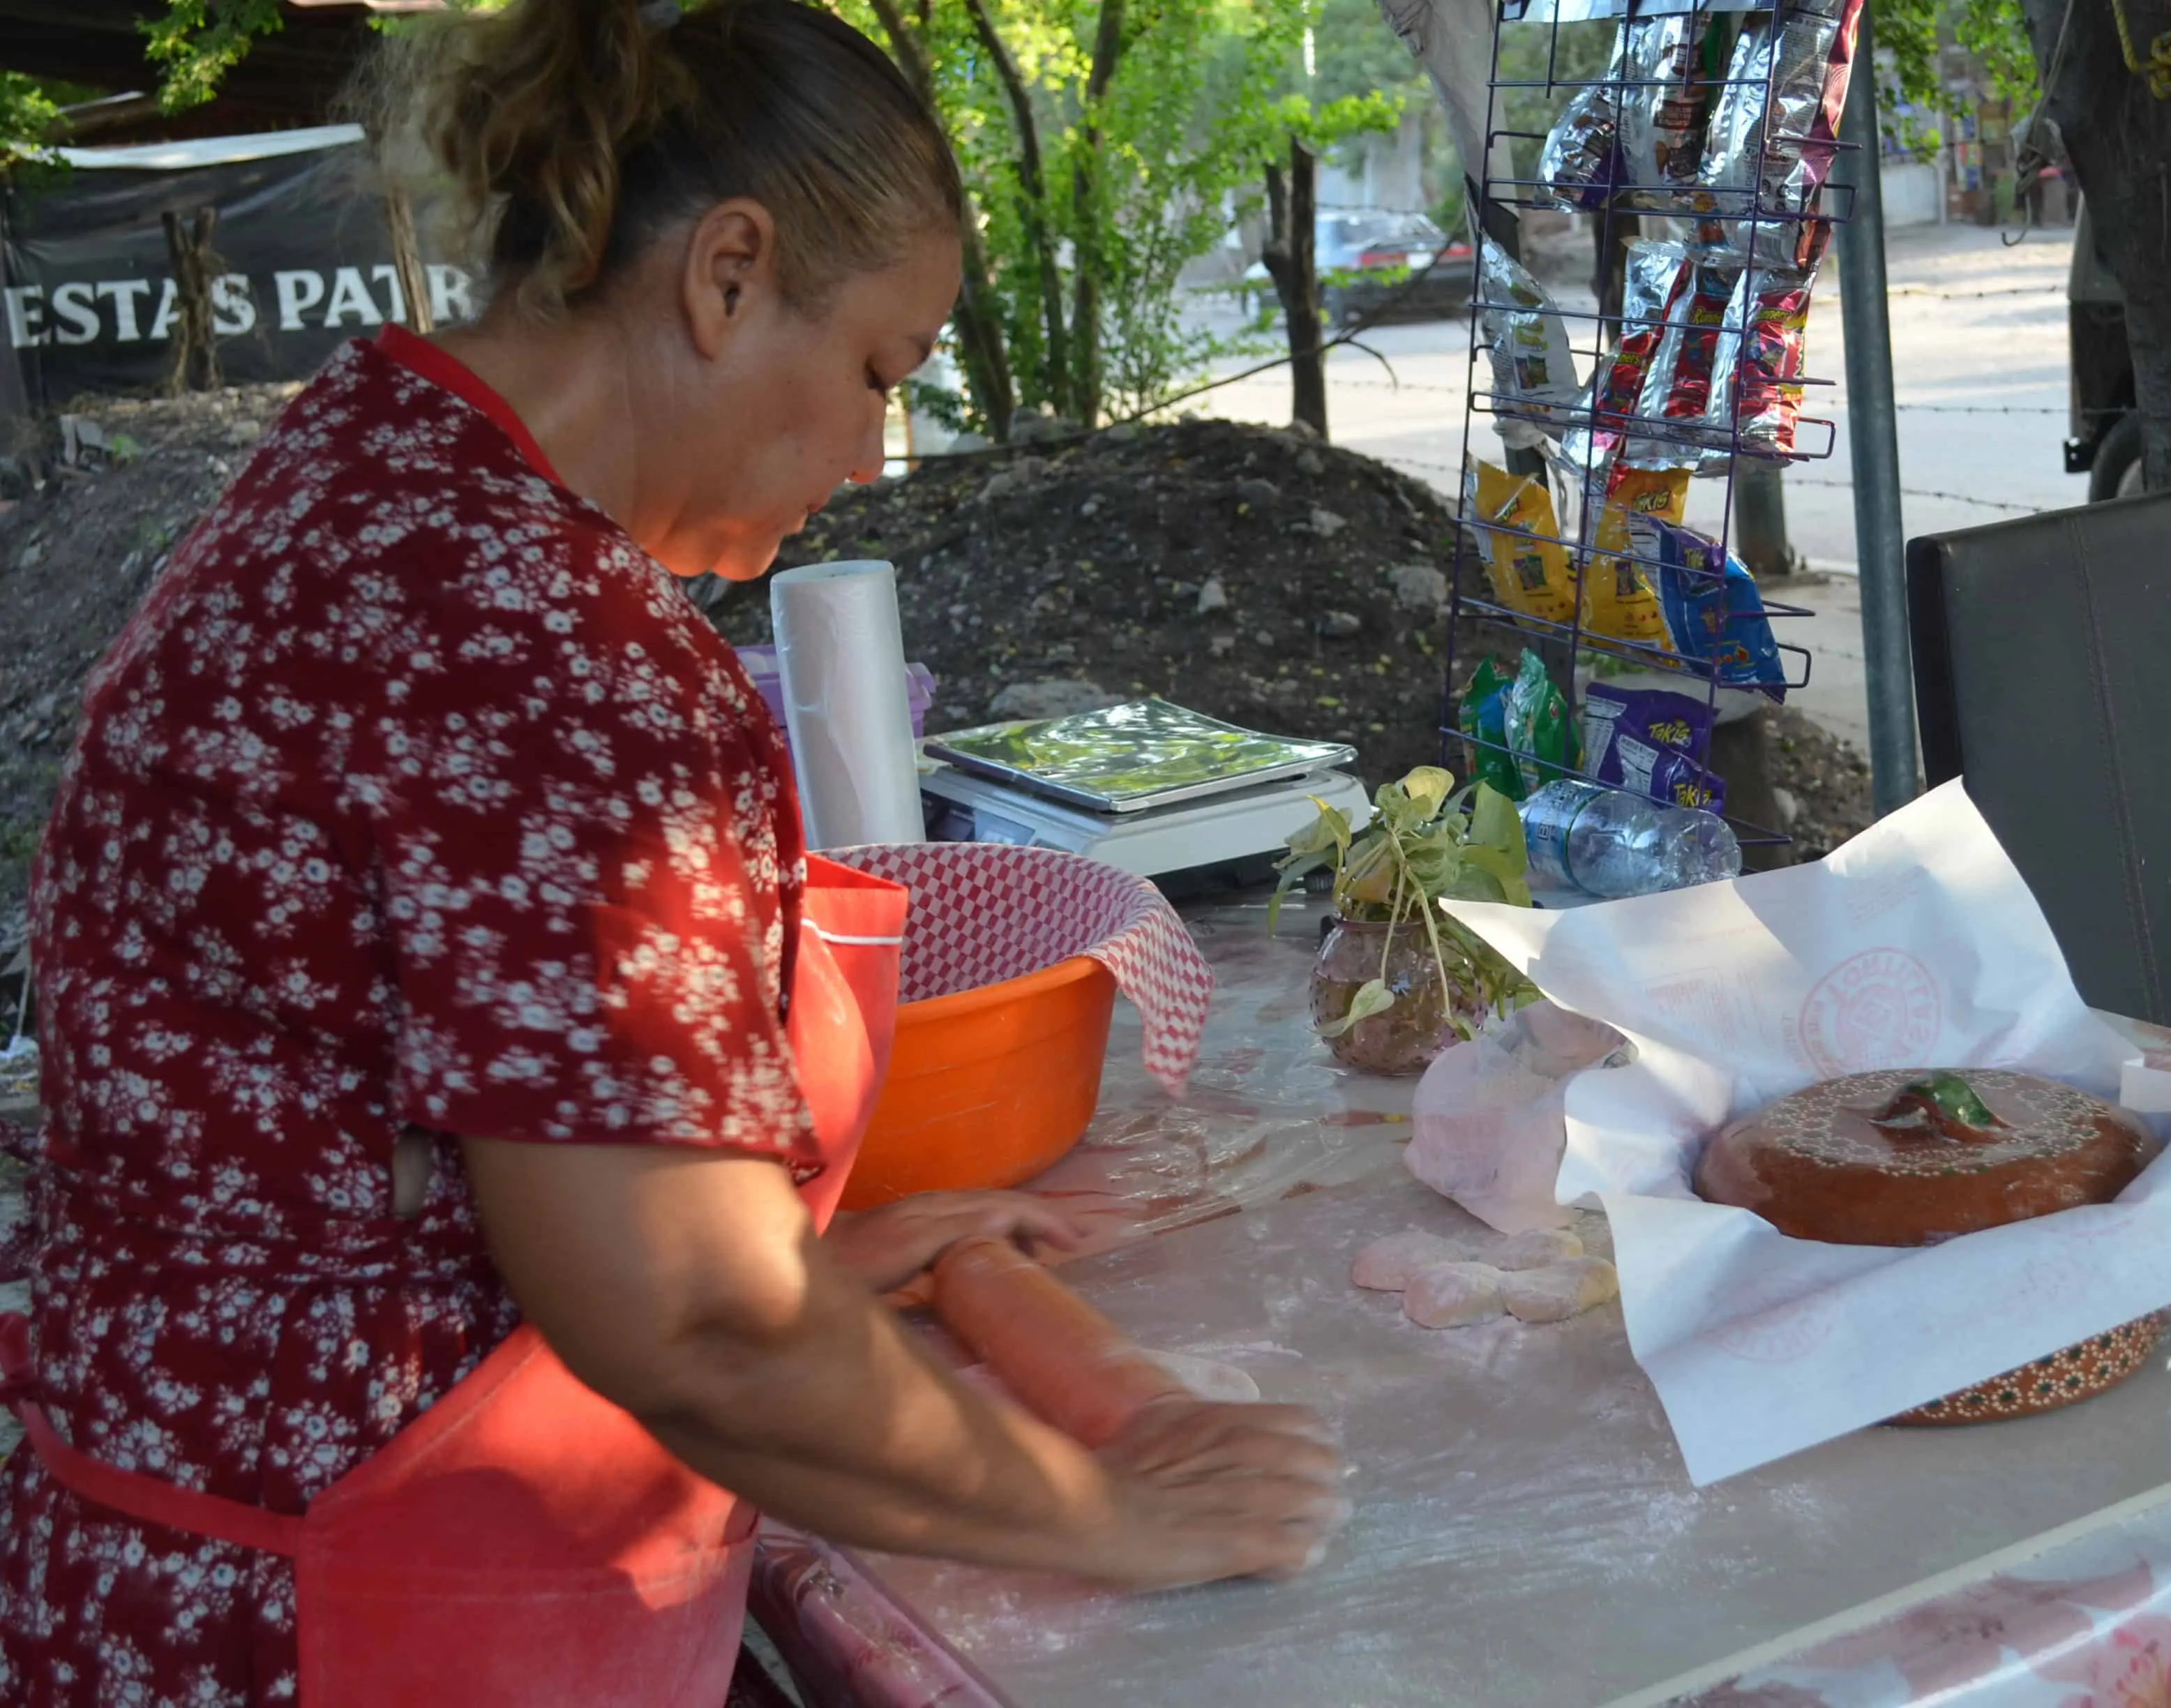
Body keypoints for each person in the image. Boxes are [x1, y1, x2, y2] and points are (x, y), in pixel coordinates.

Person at [0, 1, 1347, 1702]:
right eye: (872, 373)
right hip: (339, 1626)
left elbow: (361, 1145)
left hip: (152, 1579)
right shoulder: (543, 644)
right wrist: (1106, 1504)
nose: (866, 460)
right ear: (725, 275)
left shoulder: (356, 487)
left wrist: (798, 1264)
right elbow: (698, 1332)